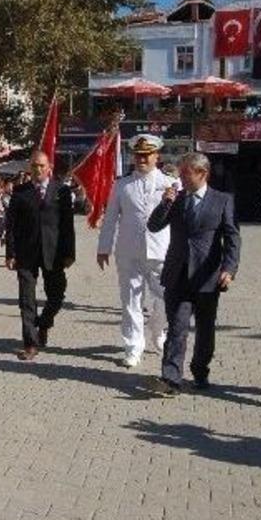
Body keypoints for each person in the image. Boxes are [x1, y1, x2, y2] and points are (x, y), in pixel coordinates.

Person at [144, 153, 241, 397]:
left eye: (186, 173)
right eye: (180, 173)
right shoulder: (175, 199)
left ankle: (200, 371)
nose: (181, 178)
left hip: (207, 276)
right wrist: (165, 203)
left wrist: (229, 268)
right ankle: (171, 379)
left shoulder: (222, 200)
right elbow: (153, 226)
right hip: (177, 275)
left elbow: (232, 237)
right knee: (176, 328)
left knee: (205, 331)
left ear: (202, 174)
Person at [96, 134, 180, 368]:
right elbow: (111, 218)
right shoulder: (122, 184)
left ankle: (157, 327)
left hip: (160, 251)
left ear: (157, 157)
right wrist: (103, 248)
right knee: (131, 301)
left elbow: (181, 219)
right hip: (128, 251)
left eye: (147, 155)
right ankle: (133, 346)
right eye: (138, 155)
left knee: (166, 297)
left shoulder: (170, 183)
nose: (142, 159)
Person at [4, 151, 76, 361]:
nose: (38, 170)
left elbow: (67, 226)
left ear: (49, 167)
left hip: (54, 254)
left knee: (57, 295)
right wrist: (10, 253)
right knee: (27, 300)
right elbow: (11, 226)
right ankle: (30, 343)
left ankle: (43, 324)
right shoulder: (20, 192)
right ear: (29, 168)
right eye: (34, 166)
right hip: (26, 254)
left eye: (42, 166)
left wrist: (70, 253)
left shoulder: (61, 191)